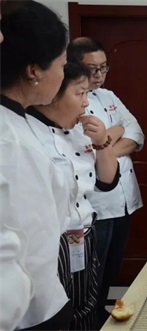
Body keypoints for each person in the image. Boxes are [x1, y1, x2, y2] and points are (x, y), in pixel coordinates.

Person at [26, 60, 120, 330]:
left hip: (83, 235)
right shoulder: (27, 134)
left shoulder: (79, 131)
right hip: (50, 245)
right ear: (52, 92)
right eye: (79, 93)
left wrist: (102, 142)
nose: (86, 103)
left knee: (87, 307)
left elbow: (107, 181)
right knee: (58, 315)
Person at [0, 1, 72, 329]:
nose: (63, 74)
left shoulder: (19, 120)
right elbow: (25, 237)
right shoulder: (10, 140)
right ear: (34, 71)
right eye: (62, 64)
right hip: (28, 311)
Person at [66, 37, 145, 327]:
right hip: (95, 207)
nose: (99, 75)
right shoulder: (69, 100)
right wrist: (112, 136)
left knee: (112, 273)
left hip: (123, 199)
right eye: (92, 69)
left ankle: (103, 320)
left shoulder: (108, 96)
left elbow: (136, 134)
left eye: (103, 68)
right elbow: (84, 149)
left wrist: (103, 144)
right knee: (90, 282)